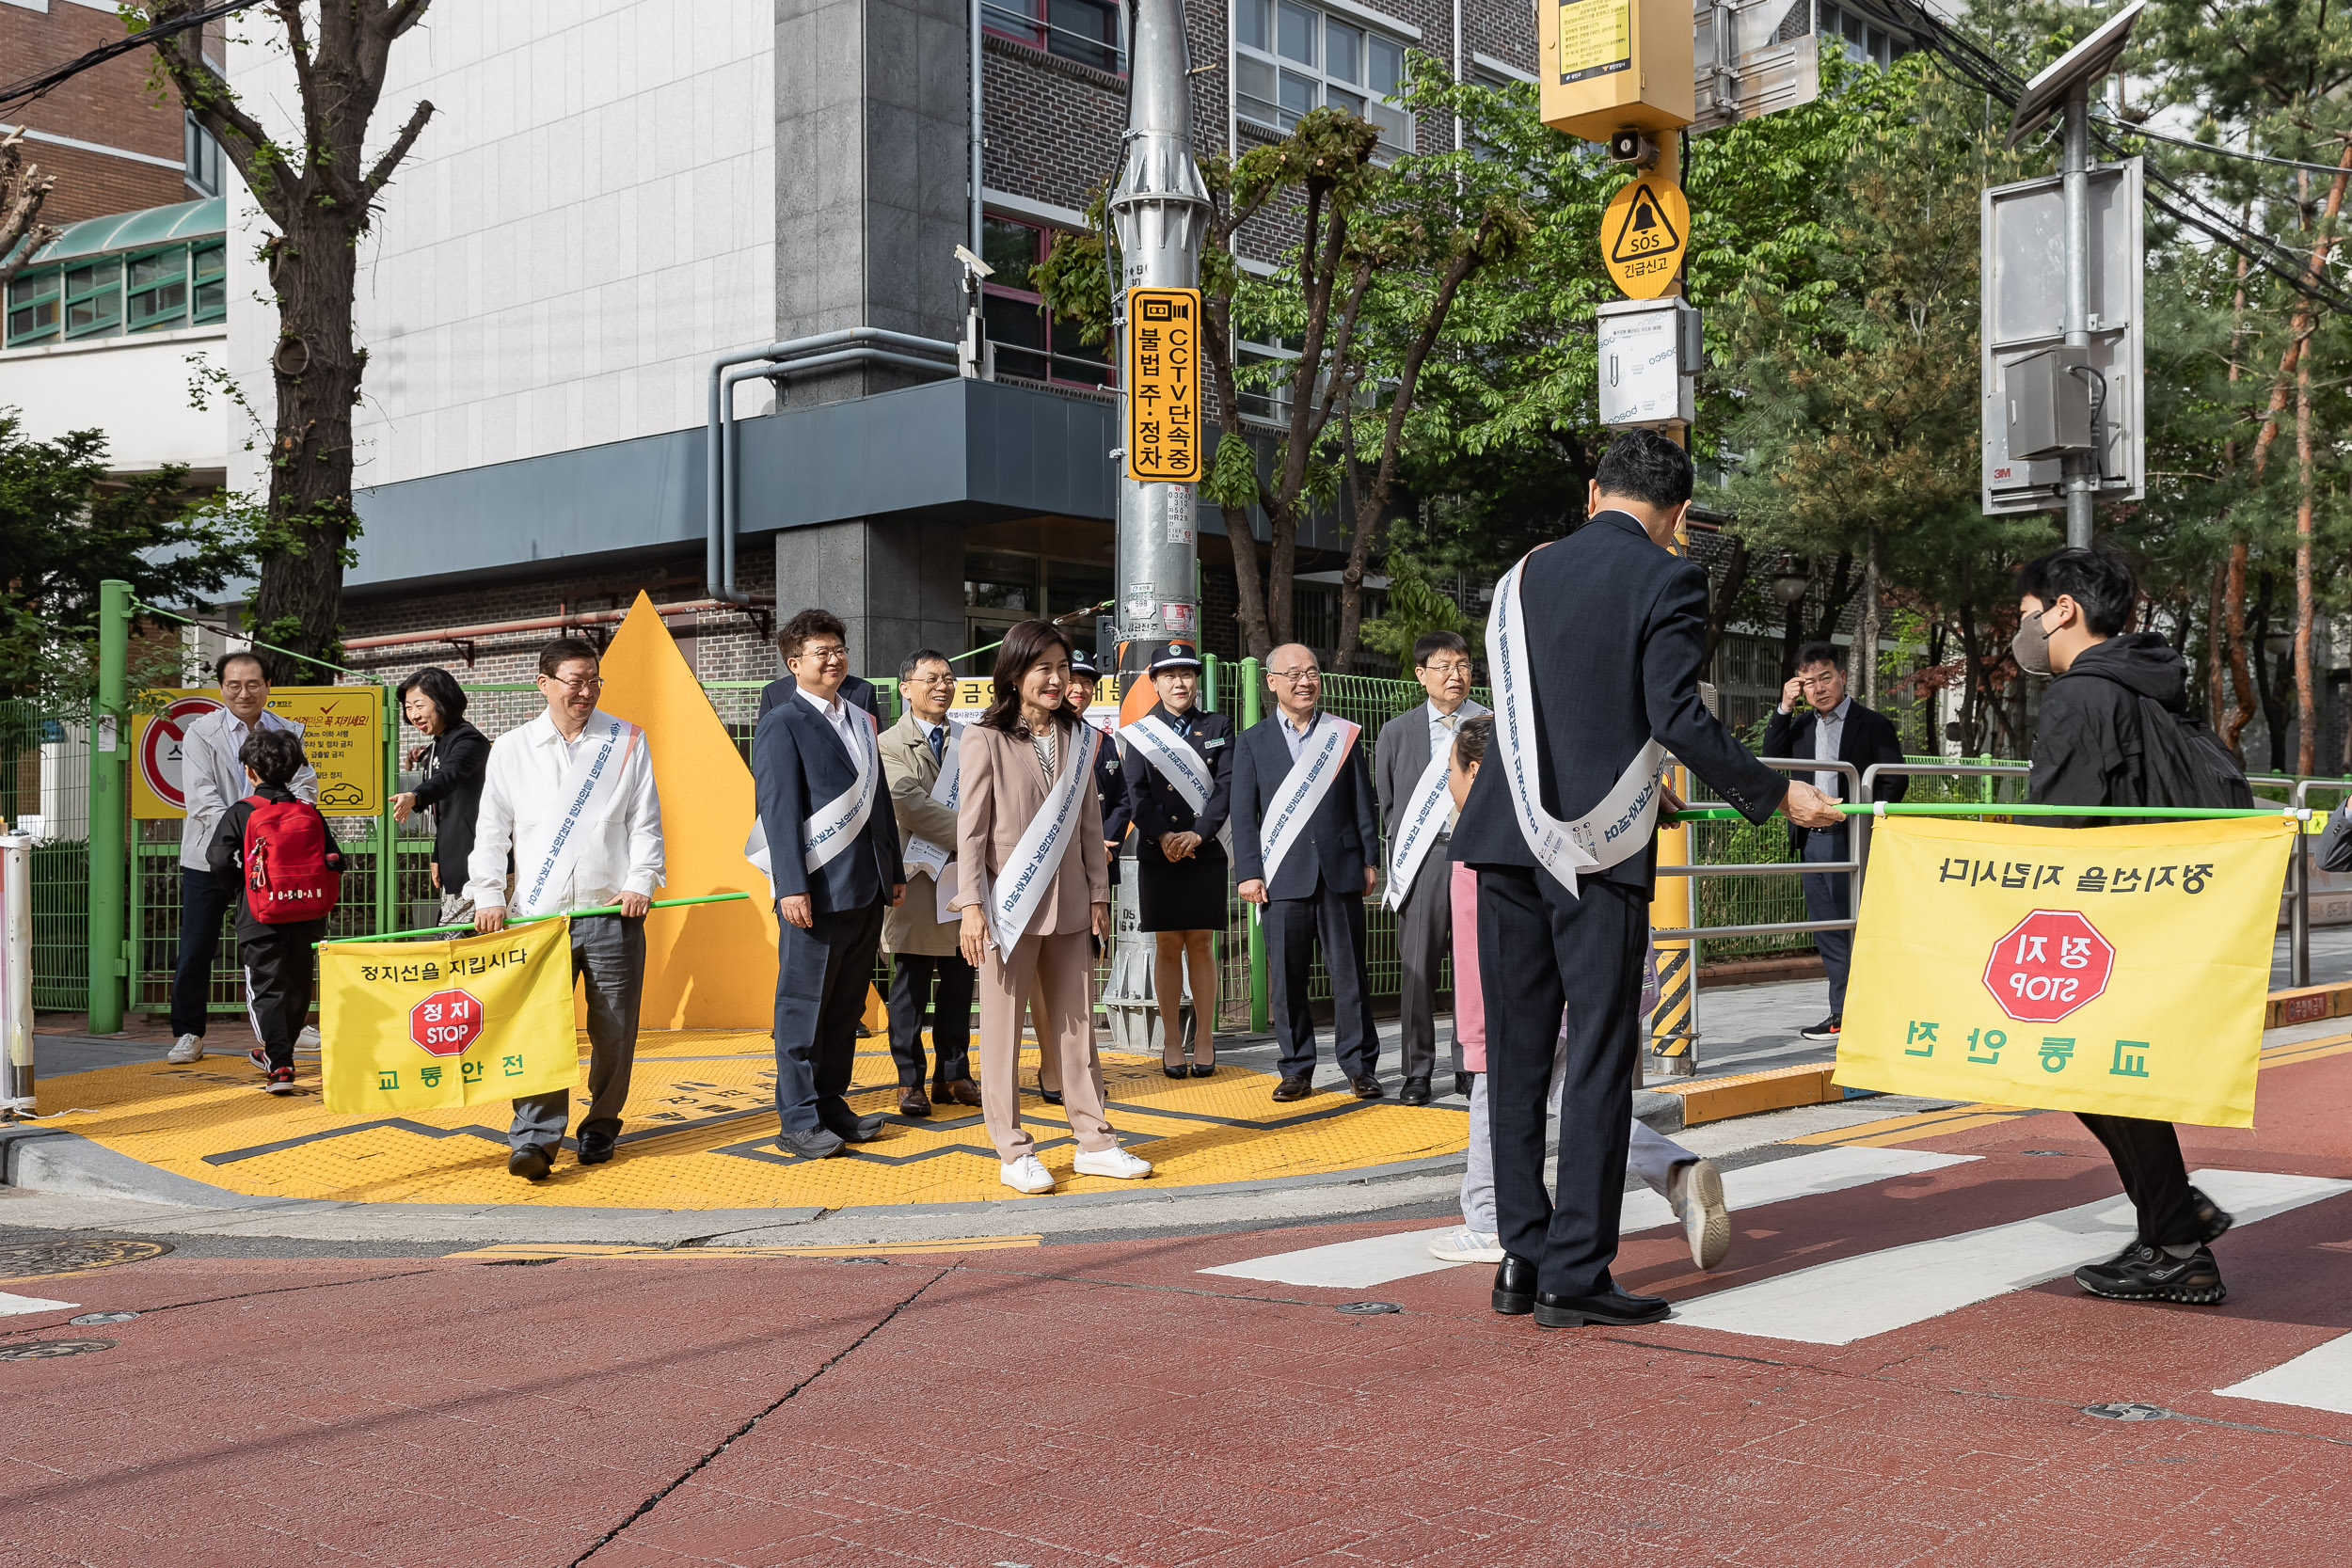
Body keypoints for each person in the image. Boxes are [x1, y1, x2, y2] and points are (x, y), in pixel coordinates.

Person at [1452, 429, 1842, 1330]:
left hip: (1505, 844)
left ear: (1594, 493)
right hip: (1597, 857)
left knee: (1513, 1057)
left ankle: (1521, 1253)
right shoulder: (1669, 577)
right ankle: (1576, 1272)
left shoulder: (1523, 578)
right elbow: (1673, 714)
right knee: (1592, 1056)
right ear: (1675, 518)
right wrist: (1777, 792)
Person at [1424, 718, 1729, 1271]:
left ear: (1475, 771)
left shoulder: (1483, 849)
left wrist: (1477, 1040)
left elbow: (1478, 960)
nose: (1448, 783)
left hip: (1521, 1005)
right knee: (1579, 1102)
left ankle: (1490, 1219)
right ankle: (1674, 1171)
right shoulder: (1563, 818)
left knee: (1496, 1098)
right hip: (1588, 989)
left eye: (1450, 770)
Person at [2017, 547, 2237, 1307]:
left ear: (2063, 609)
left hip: (2106, 921)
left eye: (2026, 616)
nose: (2023, 634)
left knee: (2096, 1072)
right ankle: (2175, 1212)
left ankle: (2177, 1241)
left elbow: (2059, 820)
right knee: (2105, 1072)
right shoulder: (2149, 680)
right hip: (2160, 905)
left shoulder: (2081, 694)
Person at [952, 618, 1152, 1194]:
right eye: (1043, 668)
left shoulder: (1081, 737)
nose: (1056, 679)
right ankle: (1013, 1149)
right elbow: (971, 832)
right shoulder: (983, 737)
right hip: (1006, 909)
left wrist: (1097, 893)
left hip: (1068, 905)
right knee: (1003, 1033)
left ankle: (1094, 1141)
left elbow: (1090, 825)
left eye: (1063, 668)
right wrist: (971, 905)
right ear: (1014, 673)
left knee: (1078, 1028)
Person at [467, 637, 666, 1181]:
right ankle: (535, 1136)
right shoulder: (511, 748)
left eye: (594, 680)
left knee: (615, 1028)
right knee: (539, 1028)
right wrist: (488, 894)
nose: (585, 691)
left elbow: (644, 822)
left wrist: (641, 881)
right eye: (574, 681)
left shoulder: (625, 739)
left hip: (611, 911)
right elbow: (492, 830)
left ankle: (602, 1122)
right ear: (544, 683)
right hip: (539, 916)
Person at [753, 610, 908, 1158]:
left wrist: (891, 870)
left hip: (864, 887)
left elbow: (879, 802)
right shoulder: (782, 721)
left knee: (844, 1007)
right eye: (821, 651)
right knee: (802, 1008)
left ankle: (831, 1104)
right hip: (813, 892)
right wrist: (789, 886)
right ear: (794, 663)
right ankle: (796, 1119)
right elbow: (777, 810)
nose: (834, 658)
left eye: (838, 648)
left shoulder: (860, 718)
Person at [1232, 643, 1384, 1102]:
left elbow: (1363, 801)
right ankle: (1296, 1068)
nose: (1305, 681)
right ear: (1272, 682)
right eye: (1294, 673)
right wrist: (1249, 872)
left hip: (1340, 872)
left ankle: (1360, 1067)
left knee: (1351, 976)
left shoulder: (1342, 735)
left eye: (1313, 673)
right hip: (1281, 878)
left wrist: (1369, 858)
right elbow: (1244, 815)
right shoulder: (1252, 741)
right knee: (1289, 980)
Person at [167, 650, 317, 1064]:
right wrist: (251, 830)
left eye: (253, 683)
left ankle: (289, 1028)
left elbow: (305, 787)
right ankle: (189, 1033)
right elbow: (202, 799)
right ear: (221, 689)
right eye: (234, 684)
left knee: (284, 946)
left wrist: (277, 828)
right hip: (210, 858)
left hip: (276, 863)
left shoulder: (288, 730)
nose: (244, 692)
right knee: (197, 944)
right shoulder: (201, 732)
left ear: (268, 686)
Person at [1760, 641, 1909, 1041]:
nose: (1819, 688)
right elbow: (1773, 763)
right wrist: (1783, 709)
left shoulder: (1872, 723)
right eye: (1808, 682)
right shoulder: (1801, 727)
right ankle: (1842, 1014)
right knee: (1828, 930)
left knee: (1858, 927)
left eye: (1826, 677)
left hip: (1853, 837)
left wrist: (1861, 816)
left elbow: (1894, 779)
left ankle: (1874, 1012)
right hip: (1812, 840)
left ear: (1842, 677)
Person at [1375, 630, 1489, 1104]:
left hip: (1480, 856)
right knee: (1418, 968)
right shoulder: (1397, 731)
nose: (1455, 675)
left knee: (1477, 965)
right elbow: (1386, 803)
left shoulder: (1491, 724)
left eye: (1462, 665)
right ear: (1421, 675)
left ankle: (1471, 1064)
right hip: (1424, 859)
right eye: (1443, 666)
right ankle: (1417, 1071)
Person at [205, 728, 345, 1096]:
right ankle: (279, 1047)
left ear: (250, 772)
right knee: (298, 985)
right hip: (308, 911)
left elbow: (218, 857)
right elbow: (335, 860)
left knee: (266, 987)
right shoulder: (308, 811)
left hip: (260, 914)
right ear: (295, 768)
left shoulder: (242, 812)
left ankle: (279, 1062)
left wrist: (240, 887)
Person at [1118, 640, 1233, 1078]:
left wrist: (1198, 834)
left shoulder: (1219, 725)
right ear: (1155, 683)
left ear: (1195, 680)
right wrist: (1164, 834)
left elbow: (1226, 787)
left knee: (1201, 944)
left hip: (1204, 849)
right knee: (1166, 946)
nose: (1179, 682)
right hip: (1158, 850)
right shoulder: (1141, 731)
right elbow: (1136, 793)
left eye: (1186, 674)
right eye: (1169, 675)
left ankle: (1204, 1039)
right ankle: (1171, 1040)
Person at [876, 647, 980, 1117]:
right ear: (906, 688)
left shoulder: (970, 739)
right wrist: (977, 835)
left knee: (961, 983)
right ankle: (909, 1079)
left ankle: (954, 1074)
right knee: (911, 988)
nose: (942, 686)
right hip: (917, 880)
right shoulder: (887, 743)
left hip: (963, 880)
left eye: (948, 677)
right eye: (930, 678)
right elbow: (908, 803)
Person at [1032, 652, 1128, 1103]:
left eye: (1088, 682)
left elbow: (1119, 800)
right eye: (1072, 678)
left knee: (1081, 975)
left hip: (1091, 870)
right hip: (1034, 874)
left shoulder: (1097, 740)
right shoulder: (1022, 736)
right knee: (1037, 976)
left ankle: (1081, 1068)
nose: (1078, 688)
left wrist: (1103, 843)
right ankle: (1051, 1065)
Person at [389, 667, 490, 927]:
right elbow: (444, 811)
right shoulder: (438, 742)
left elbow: (448, 777)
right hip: (454, 860)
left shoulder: (468, 740)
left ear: (443, 700)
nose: (413, 715)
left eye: (419, 705)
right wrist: (437, 856)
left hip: (478, 864)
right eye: (408, 707)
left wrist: (415, 795)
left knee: (456, 948)